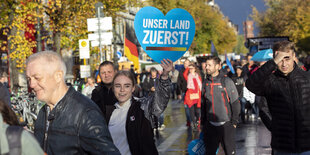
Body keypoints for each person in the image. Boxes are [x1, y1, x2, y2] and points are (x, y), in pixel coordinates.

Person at [26, 51, 120, 154]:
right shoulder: (44, 111)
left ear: (58, 76)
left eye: (37, 78)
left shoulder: (85, 113)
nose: (31, 84)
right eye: (28, 79)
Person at [246, 41, 310, 155]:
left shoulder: (306, 78)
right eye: (280, 59)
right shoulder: (270, 81)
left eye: (287, 58)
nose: (284, 64)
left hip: (306, 146)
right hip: (281, 146)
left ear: (294, 57)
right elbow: (250, 84)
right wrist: (273, 62)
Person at [105, 59, 173, 155]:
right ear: (113, 88)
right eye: (118, 86)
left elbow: (160, 101)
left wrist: (165, 76)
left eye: (127, 86)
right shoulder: (107, 112)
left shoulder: (142, 106)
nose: (122, 90)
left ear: (133, 88)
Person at [201, 55, 240, 155]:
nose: (206, 67)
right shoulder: (205, 82)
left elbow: (235, 102)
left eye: (209, 65)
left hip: (226, 125)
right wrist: (203, 123)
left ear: (218, 66)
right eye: (206, 65)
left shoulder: (226, 81)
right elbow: (203, 103)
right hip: (210, 126)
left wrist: (234, 122)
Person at [183, 63, 202, 130]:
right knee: (191, 111)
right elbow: (184, 74)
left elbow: (200, 86)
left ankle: (197, 121)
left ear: (195, 69)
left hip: (197, 95)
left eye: (192, 68)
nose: (190, 70)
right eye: (190, 69)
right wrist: (188, 67)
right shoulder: (188, 76)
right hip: (190, 96)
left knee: (197, 111)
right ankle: (194, 124)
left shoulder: (198, 76)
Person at [177, 59, 192, 126]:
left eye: (187, 63)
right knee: (186, 108)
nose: (186, 65)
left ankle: (194, 120)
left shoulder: (192, 71)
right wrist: (178, 93)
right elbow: (179, 82)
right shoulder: (181, 71)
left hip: (191, 92)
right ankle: (189, 120)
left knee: (192, 107)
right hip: (184, 92)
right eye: (185, 63)